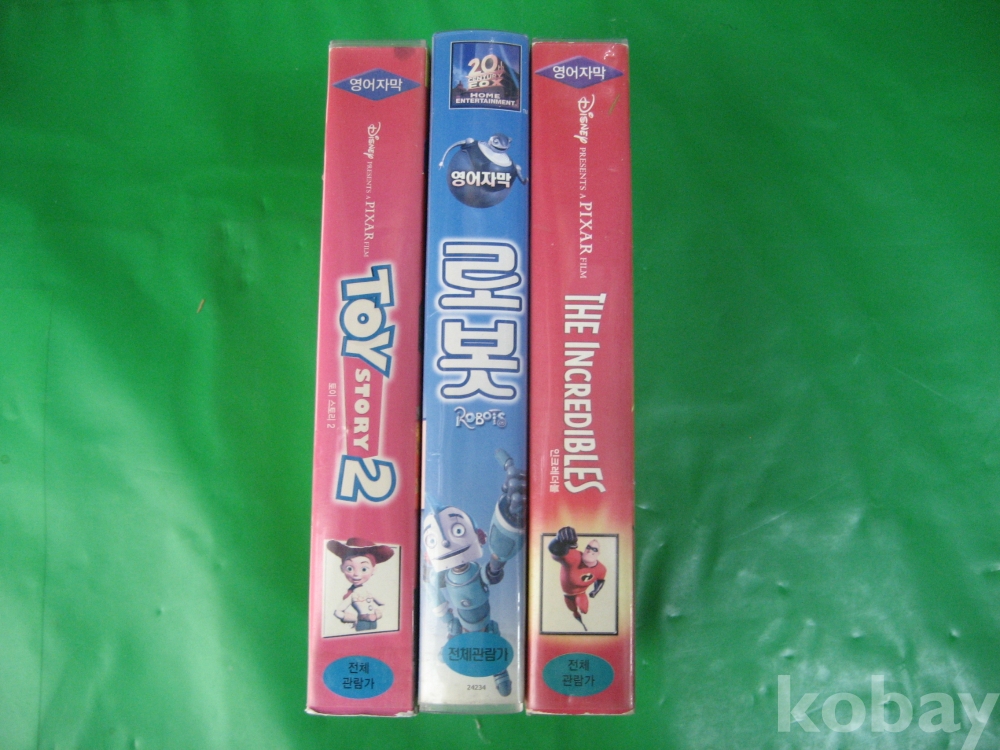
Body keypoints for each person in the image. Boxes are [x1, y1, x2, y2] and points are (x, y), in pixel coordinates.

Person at [327, 537, 394, 632]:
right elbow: (337, 612)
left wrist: (378, 613)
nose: (356, 574)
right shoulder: (352, 595)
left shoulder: (369, 593)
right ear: (342, 568)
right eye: (349, 568)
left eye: (364, 569)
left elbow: (383, 604)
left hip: (374, 623)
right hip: (362, 623)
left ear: (374, 570)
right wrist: (354, 618)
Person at [548, 527, 606, 631]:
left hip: (581, 593)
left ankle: (589, 627)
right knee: (572, 610)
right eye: (588, 547)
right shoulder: (575, 557)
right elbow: (556, 553)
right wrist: (559, 541)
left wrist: (595, 591)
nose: (590, 550)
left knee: (584, 610)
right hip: (567, 594)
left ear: (598, 554)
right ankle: (578, 619)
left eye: (594, 549)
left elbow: (600, 580)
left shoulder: (601, 569)